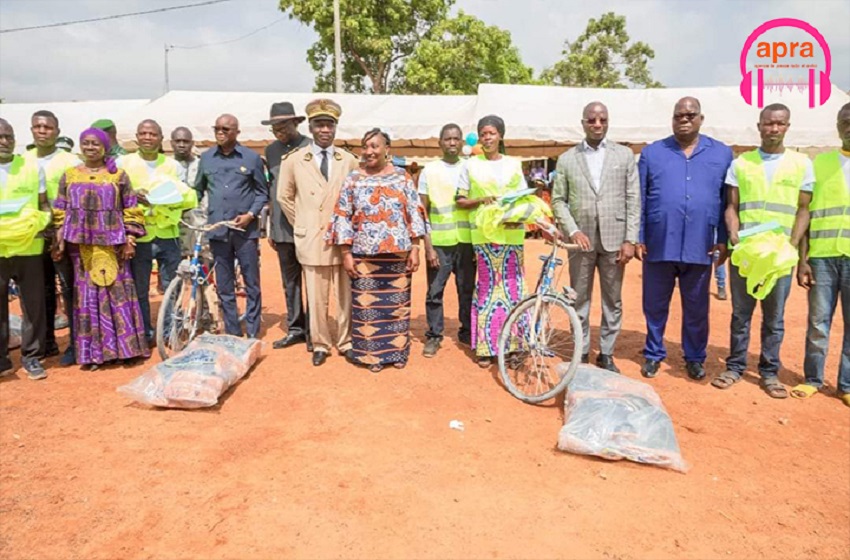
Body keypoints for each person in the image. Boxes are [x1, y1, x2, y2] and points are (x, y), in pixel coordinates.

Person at [712, 103, 813, 398]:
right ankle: (734, 366)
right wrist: (733, 235)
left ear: (787, 127)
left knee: (774, 318)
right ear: (759, 126)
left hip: (779, 257)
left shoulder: (801, 164)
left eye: (780, 124)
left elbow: (803, 211)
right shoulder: (741, 164)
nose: (773, 129)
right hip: (747, 254)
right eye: (768, 123)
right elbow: (732, 206)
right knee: (740, 314)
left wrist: (791, 247)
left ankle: (769, 373)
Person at [637, 97, 733, 381]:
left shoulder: (722, 154)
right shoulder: (653, 153)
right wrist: (639, 237)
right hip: (659, 241)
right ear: (672, 119)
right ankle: (654, 354)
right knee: (654, 305)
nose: (684, 119)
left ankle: (694, 357)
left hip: (700, 243)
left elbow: (726, 200)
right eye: (679, 115)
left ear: (701, 119)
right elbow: (640, 199)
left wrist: (723, 239)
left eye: (690, 115)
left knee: (697, 306)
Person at [456, 115, 557, 368]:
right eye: (483, 133)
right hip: (484, 234)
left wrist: (518, 218)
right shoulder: (470, 165)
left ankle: (514, 346)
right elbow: (461, 200)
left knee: (513, 289)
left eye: (491, 133)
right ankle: (486, 348)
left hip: (511, 233)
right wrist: (483, 200)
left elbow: (522, 198)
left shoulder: (513, 164)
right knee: (488, 289)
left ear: (500, 135)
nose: (486, 137)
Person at [327, 128, 427, 372]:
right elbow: (342, 216)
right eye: (365, 146)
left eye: (374, 146)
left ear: (387, 149)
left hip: (398, 255)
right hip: (364, 256)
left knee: (397, 306)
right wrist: (346, 254)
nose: (369, 151)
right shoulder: (353, 179)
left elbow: (414, 211)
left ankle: (397, 352)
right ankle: (372, 357)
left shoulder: (403, 178)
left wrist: (415, 247)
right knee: (367, 308)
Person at [552, 102, 640, 373]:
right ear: (583, 123)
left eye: (602, 119)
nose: (597, 124)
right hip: (581, 241)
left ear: (608, 121)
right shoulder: (567, 158)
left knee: (612, 300)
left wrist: (630, 239)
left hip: (615, 240)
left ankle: (607, 353)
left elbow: (633, 198)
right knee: (578, 298)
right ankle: (582, 351)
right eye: (592, 120)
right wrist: (573, 230)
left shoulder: (624, 155)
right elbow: (558, 200)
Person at [52, 127, 149, 370]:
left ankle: (125, 351)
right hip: (82, 247)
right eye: (85, 143)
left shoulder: (119, 175)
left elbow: (131, 207)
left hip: (114, 245)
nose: (90, 147)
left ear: (105, 147)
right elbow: (60, 209)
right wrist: (60, 239)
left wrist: (130, 238)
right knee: (88, 298)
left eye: (95, 143)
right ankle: (94, 355)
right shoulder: (70, 175)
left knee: (119, 297)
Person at [279, 99, 358, 367]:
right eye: (319, 124)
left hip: (342, 239)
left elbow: (356, 196)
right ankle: (321, 343)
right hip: (311, 237)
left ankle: (346, 341)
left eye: (330, 124)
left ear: (336, 128)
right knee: (316, 294)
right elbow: (284, 197)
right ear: (310, 128)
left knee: (345, 294)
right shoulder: (294, 160)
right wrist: (303, 221)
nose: (325, 129)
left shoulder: (348, 160)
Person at [119, 119, 197, 345]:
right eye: (143, 133)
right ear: (136, 137)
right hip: (138, 236)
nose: (147, 137)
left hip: (168, 234)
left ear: (160, 138)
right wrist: (134, 194)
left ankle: (169, 332)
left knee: (172, 286)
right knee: (140, 288)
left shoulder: (172, 165)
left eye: (152, 134)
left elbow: (184, 196)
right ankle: (145, 333)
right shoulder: (124, 163)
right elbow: (116, 193)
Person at [794, 102, 850, 407]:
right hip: (822, 258)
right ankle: (812, 379)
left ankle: (847, 384)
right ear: (838, 126)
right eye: (845, 121)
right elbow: (807, 214)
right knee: (818, 322)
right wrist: (803, 259)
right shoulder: (820, 164)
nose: (849, 126)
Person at [194, 114, 268, 339]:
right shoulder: (206, 159)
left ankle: (253, 333)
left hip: (245, 232)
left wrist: (251, 214)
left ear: (237, 132)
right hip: (218, 230)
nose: (220, 132)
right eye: (217, 128)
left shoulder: (251, 158)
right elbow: (198, 189)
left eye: (226, 129)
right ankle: (233, 334)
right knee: (224, 286)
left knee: (251, 283)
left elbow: (262, 192)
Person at [25, 110, 79, 366]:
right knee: (41, 291)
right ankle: (46, 342)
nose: (42, 131)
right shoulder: (22, 161)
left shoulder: (71, 161)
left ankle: (75, 344)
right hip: (32, 239)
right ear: (32, 130)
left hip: (65, 236)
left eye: (48, 127)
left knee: (69, 290)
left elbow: (77, 201)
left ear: (57, 132)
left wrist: (61, 234)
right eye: (37, 127)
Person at [419, 123, 475, 357]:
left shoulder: (473, 169)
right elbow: (421, 211)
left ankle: (467, 331)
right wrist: (428, 247)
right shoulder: (429, 171)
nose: (452, 143)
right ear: (440, 142)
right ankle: (434, 335)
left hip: (467, 242)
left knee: (467, 290)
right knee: (435, 291)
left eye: (456, 139)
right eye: (447, 139)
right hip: (439, 244)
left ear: (462, 142)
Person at [0, 118, 50, 380]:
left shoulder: (31, 168)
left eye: (9, 136)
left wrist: (42, 221)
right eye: (0, 137)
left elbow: (44, 204)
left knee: (33, 305)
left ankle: (32, 357)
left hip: (29, 247)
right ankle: (1, 361)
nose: (5, 141)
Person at [263, 102, 312, 352]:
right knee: (290, 280)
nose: (278, 132)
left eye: (282, 127)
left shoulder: (311, 147)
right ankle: (296, 328)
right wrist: (271, 227)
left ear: (296, 123)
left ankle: (315, 330)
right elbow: (271, 192)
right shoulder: (270, 152)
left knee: (313, 279)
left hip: (308, 225)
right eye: (274, 128)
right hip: (282, 227)